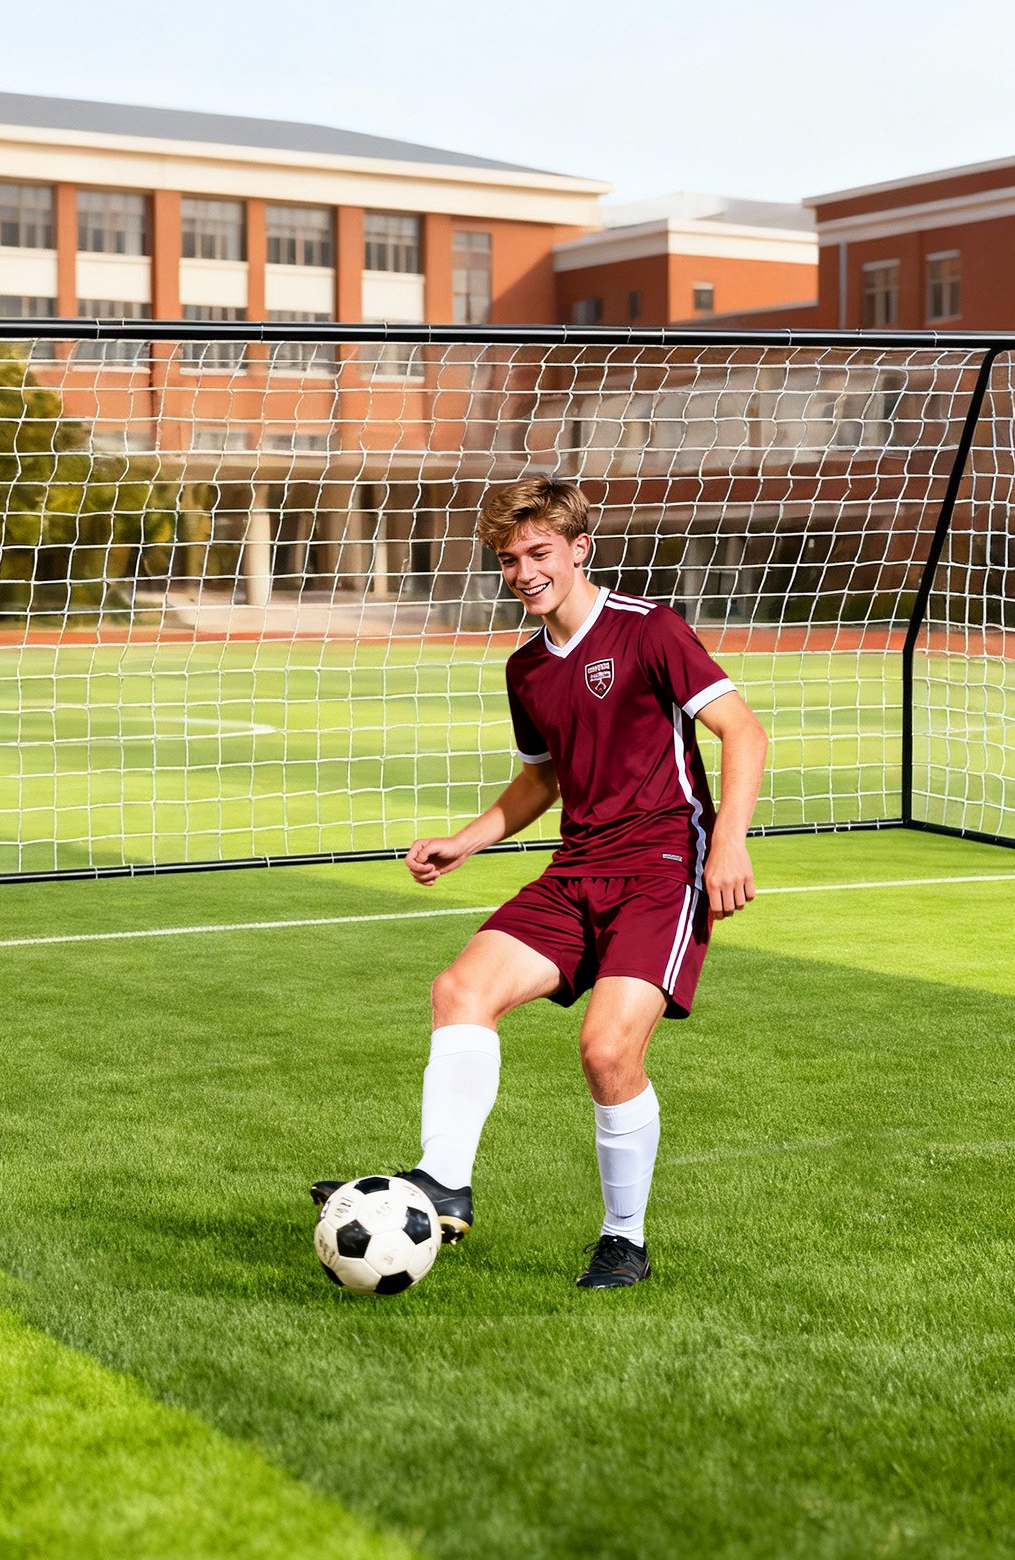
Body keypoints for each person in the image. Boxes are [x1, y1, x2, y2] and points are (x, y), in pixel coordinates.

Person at [312, 476, 769, 1288]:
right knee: (459, 990)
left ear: (579, 548)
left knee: (606, 1051)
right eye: (508, 559)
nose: (524, 573)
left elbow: (744, 730)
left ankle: (624, 1240)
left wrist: (727, 844)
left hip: (662, 869)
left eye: (539, 552)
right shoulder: (526, 668)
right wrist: (466, 840)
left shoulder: (649, 629)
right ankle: (444, 1181)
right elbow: (541, 780)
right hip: (576, 868)